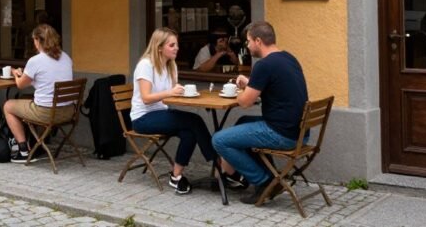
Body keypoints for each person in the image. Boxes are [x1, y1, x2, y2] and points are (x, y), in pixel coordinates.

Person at [212, 21, 308, 203]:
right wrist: (251, 83)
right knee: (243, 121)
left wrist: (240, 90)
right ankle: (264, 175)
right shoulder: (288, 58)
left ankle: (264, 181)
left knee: (219, 139)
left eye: (248, 41)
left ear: (258, 41)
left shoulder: (264, 65)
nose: (247, 46)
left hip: (282, 134)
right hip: (300, 132)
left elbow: (245, 102)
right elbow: (274, 87)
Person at [131, 28, 226, 195]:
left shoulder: (170, 66)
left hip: (161, 113)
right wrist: (170, 93)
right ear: (159, 47)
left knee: (189, 132)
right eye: (172, 45)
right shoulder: (145, 65)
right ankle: (219, 164)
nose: (177, 48)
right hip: (143, 118)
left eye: (177, 44)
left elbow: (172, 94)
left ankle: (175, 176)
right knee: (194, 121)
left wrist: (182, 92)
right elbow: (146, 98)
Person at [3, 24, 73, 163]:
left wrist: (15, 73)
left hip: (47, 113)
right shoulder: (66, 57)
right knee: (31, 100)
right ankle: (37, 144)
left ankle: (23, 150)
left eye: (34, 40)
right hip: (68, 112)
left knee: (8, 106)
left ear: (38, 40)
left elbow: (21, 85)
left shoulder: (35, 61)